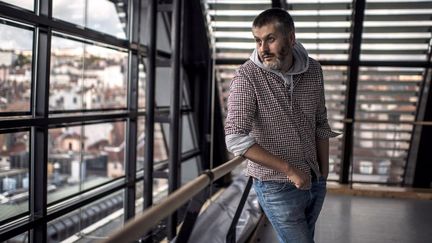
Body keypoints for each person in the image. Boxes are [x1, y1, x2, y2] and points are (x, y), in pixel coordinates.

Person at [224, 8, 340, 243]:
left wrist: (324, 174)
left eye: (270, 39)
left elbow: (320, 122)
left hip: (314, 179)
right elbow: (235, 137)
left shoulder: (314, 70)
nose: (263, 49)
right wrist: (288, 169)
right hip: (275, 186)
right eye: (258, 41)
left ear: (291, 37)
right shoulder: (247, 76)